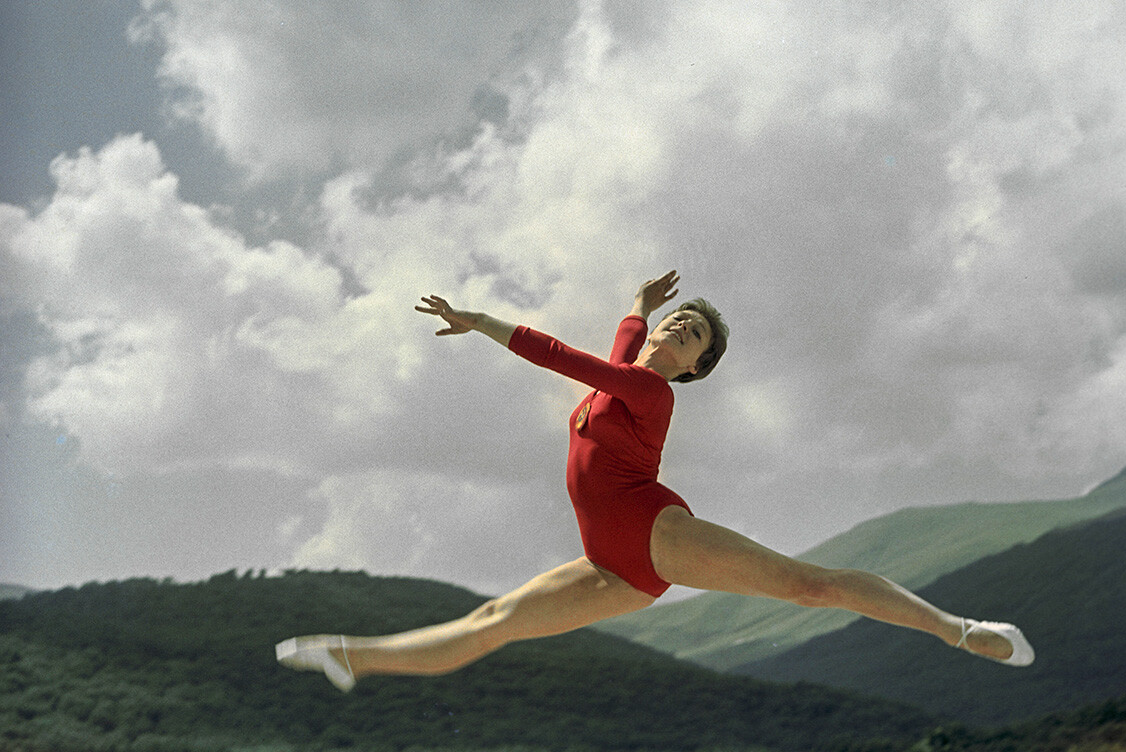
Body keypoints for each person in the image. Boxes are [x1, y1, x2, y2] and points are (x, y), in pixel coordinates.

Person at [276, 271, 1033, 691]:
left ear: (696, 368)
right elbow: (628, 332)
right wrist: (643, 302)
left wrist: (480, 320)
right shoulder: (636, 364)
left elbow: (565, 357)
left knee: (810, 585)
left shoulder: (649, 392)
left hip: (653, 531)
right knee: (496, 620)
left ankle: (961, 631)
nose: (679, 330)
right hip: (613, 566)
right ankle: (353, 655)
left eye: (693, 334)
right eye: (682, 322)